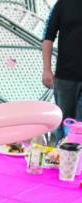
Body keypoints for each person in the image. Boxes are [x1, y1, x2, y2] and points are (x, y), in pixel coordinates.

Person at [42, 0, 82, 142]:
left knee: (80, 127)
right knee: (63, 122)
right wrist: (47, 69)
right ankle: (62, 160)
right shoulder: (63, 4)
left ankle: (78, 162)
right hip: (65, 77)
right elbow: (48, 37)